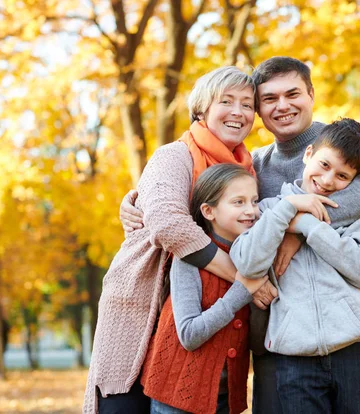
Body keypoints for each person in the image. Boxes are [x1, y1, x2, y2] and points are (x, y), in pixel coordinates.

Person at [119, 57, 360, 413]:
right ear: (260, 112)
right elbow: (204, 209)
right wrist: (135, 200)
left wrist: (300, 228)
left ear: (311, 95)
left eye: (293, 94)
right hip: (274, 335)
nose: (283, 106)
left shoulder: (340, 146)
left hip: (348, 333)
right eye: (268, 99)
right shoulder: (252, 166)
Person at [83, 66, 278, 414]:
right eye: (227, 101)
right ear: (202, 109)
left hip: (200, 316)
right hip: (143, 302)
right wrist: (244, 280)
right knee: (124, 405)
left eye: (247, 104)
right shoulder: (175, 155)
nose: (238, 112)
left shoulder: (250, 170)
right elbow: (167, 221)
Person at [230, 118, 360, 413]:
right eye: (325, 165)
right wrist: (288, 211)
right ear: (308, 155)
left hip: (356, 351)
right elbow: (247, 264)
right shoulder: (269, 209)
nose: (328, 181)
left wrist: (308, 226)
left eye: (343, 176)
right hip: (295, 355)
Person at [141, 164, 269, 414]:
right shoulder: (189, 259)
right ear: (209, 211)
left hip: (224, 395)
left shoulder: (255, 260)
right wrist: (242, 292)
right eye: (238, 202)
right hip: (176, 395)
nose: (251, 211)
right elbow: (189, 335)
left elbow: (258, 342)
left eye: (254, 201)